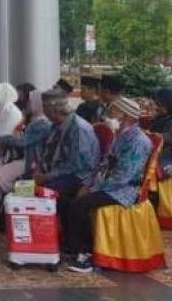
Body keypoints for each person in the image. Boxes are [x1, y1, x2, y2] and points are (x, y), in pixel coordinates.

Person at [63, 96, 152, 273]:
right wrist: (88, 184)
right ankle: (73, 246)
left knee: (80, 204)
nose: (107, 115)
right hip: (107, 183)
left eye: (112, 111)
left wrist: (93, 189)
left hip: (124, 190)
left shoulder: (138, 141)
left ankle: (87, 255)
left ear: (125, 116)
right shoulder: (118, 134)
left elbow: (122, 177)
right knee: (66, 196)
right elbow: (104, 164)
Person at [33, 89, 100, 243]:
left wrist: (46, 176)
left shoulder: (78, 128)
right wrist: (39, 169)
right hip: (62, 172)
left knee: (46, 191)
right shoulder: (56, 126)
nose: (43, 111)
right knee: (24, 183)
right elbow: (47, 153)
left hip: (81, 176)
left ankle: (61, 240)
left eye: (45, 107)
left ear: (54, 109)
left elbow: (78, 164)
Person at [0, 90, 52, 201]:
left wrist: (1, 138)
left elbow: (23, 141)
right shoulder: (34, 119)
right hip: (21, 156)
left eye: (30, 101)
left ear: (38, 103)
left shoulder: (43, 124)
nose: (27, 104)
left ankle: (11, 195)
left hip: (32, 161)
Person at [151, 89, 172, 179]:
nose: (156, 107)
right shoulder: (162, 117)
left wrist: (153, 135)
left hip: (165, 158)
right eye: (156, 104)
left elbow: (170, 137)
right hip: (155, 152)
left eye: (159, 105)